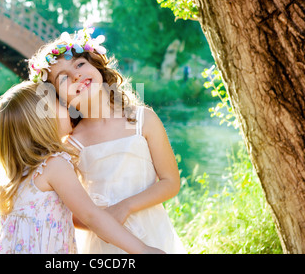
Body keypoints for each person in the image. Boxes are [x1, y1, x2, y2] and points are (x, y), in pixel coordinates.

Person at [27, 25, 187, 254]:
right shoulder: (70, 145)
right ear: (57, 99)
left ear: (96, 66)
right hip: (103, 245)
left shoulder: (143, 119)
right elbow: (71, 213)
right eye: (64, 79)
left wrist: (125, 208)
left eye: (80, 64)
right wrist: (101, 221)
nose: (77, 76)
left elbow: (170, 182)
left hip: (154, 234)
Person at [0, 80, 164, 254]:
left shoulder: (20, 175)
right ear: (45, 120)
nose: (69, 108)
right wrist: (143, 250)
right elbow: (91, 216)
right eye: (61, 105)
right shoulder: (54, 165)